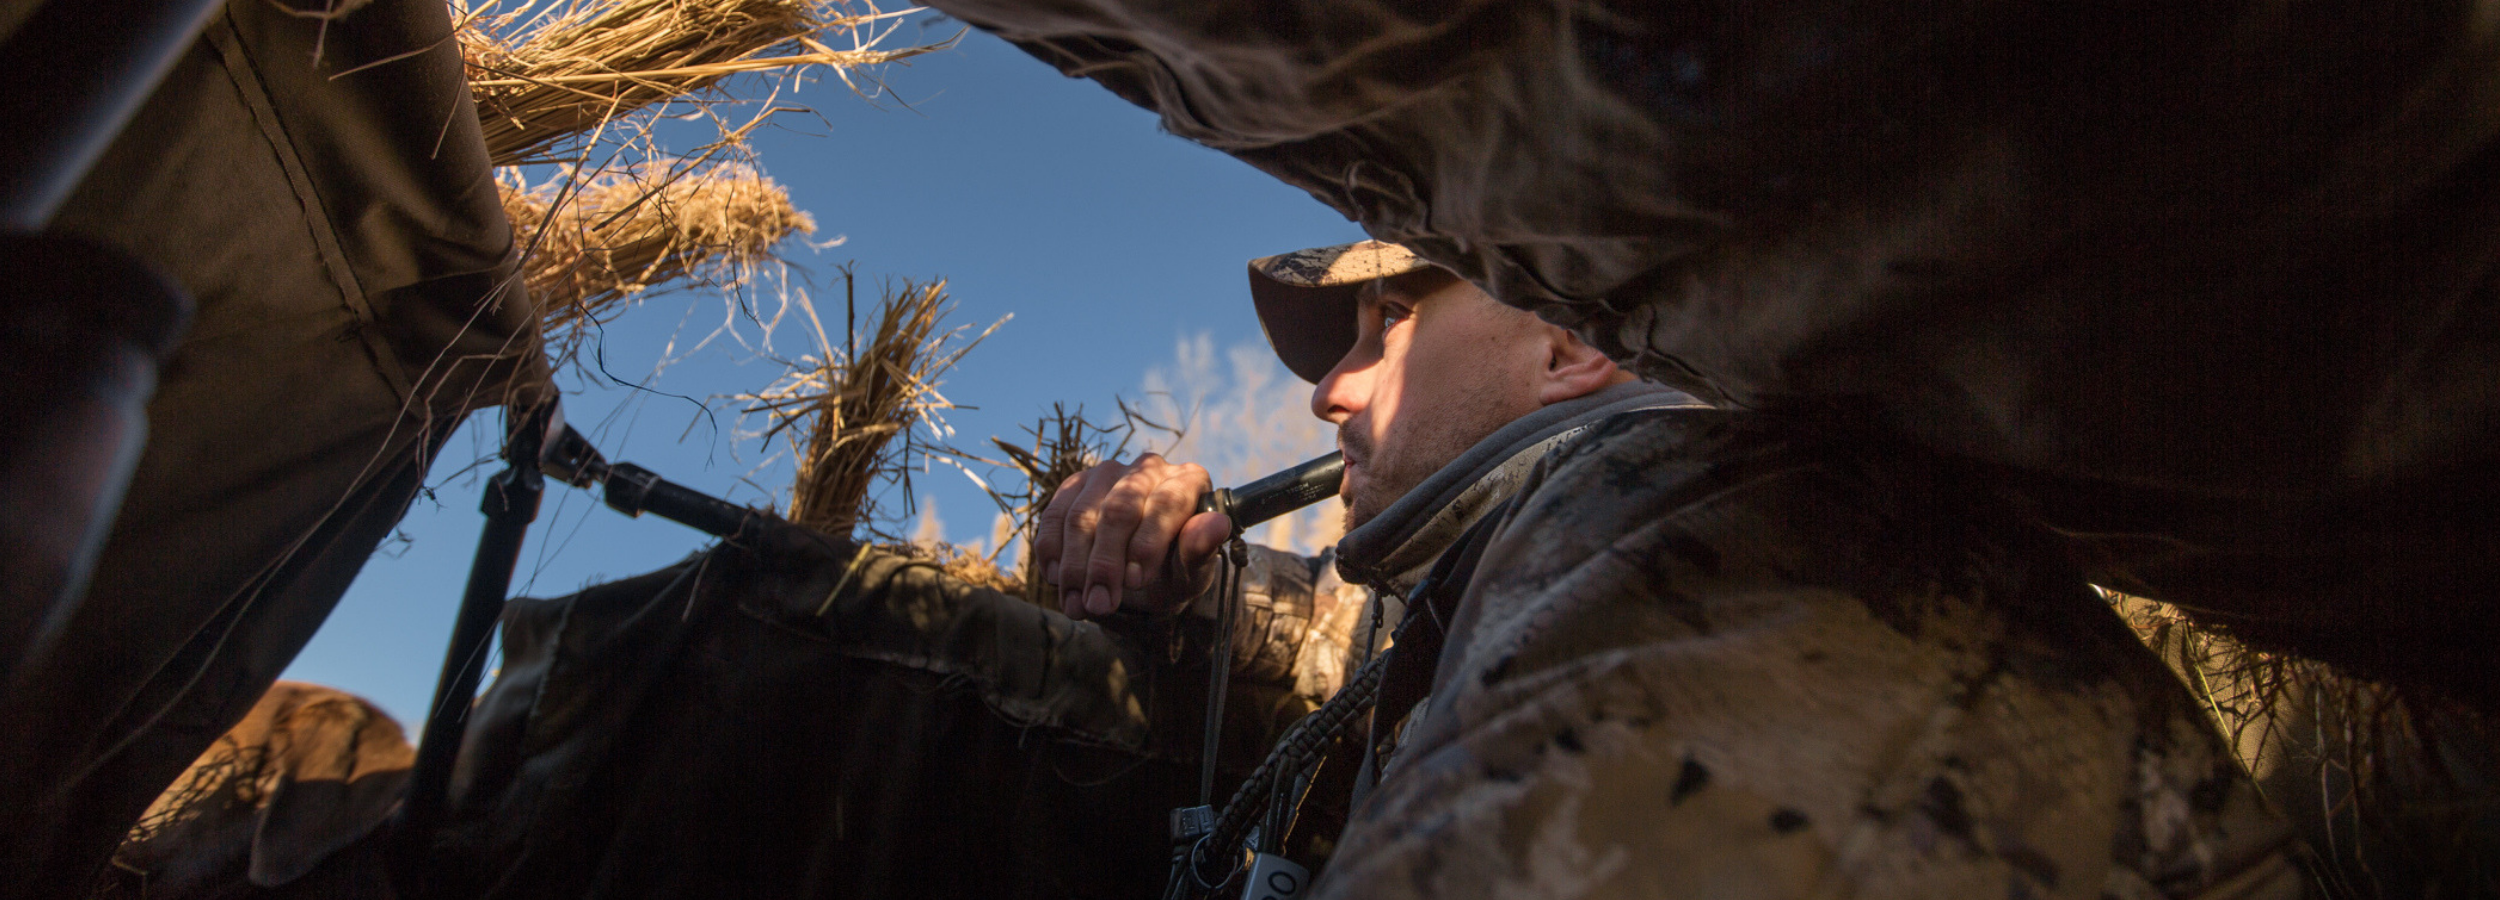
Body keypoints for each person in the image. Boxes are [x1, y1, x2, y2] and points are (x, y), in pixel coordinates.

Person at [1041, 241, 2315, 898]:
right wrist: (1178, 574)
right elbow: (1351, 651)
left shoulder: (1716, 508)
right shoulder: (1569, 548)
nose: (1326, 392)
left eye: (1391, 323)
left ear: (1570, 348)